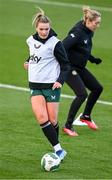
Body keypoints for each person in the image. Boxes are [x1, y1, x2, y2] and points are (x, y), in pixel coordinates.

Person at [24, 8, 70, 160]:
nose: (44, 32)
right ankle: (58, 150)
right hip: (35, 86)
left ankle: (55, 145)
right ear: (36, 28)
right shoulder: (30, 40)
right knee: (42, 118)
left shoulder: (55, 43)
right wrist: (28, 61)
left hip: (51, 86)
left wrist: (60, 81)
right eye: (41, 29)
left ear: (50, 28)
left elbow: (65, 65)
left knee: (53, 120)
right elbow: (34, 54)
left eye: (47, 29)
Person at [62, 6, 103, 137]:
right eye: (96, 23)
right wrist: (65, 65)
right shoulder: (78, 32)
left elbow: (83, 48)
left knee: (97, 88)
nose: (98, 25)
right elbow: (62, 47)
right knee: (82, 94)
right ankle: (68, 125)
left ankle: (85, 116)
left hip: (80, 67)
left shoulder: (89, 31)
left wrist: (92, 59)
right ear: (89, 21)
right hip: (69, 68)